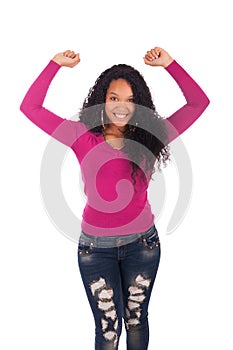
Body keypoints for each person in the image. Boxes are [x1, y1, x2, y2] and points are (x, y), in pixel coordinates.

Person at [20, 47, 209, 350]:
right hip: (96, 250)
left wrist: (170, 65)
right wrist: (54, 64)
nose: (122, 106)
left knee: (136, 320)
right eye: (114, 98)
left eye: (131, 100)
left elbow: (199, 103)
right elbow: (31, 108)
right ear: (102, 101)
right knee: (108, 330)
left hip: (142, 246)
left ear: (141, 105)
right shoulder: (82, 136)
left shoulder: (152, 136)